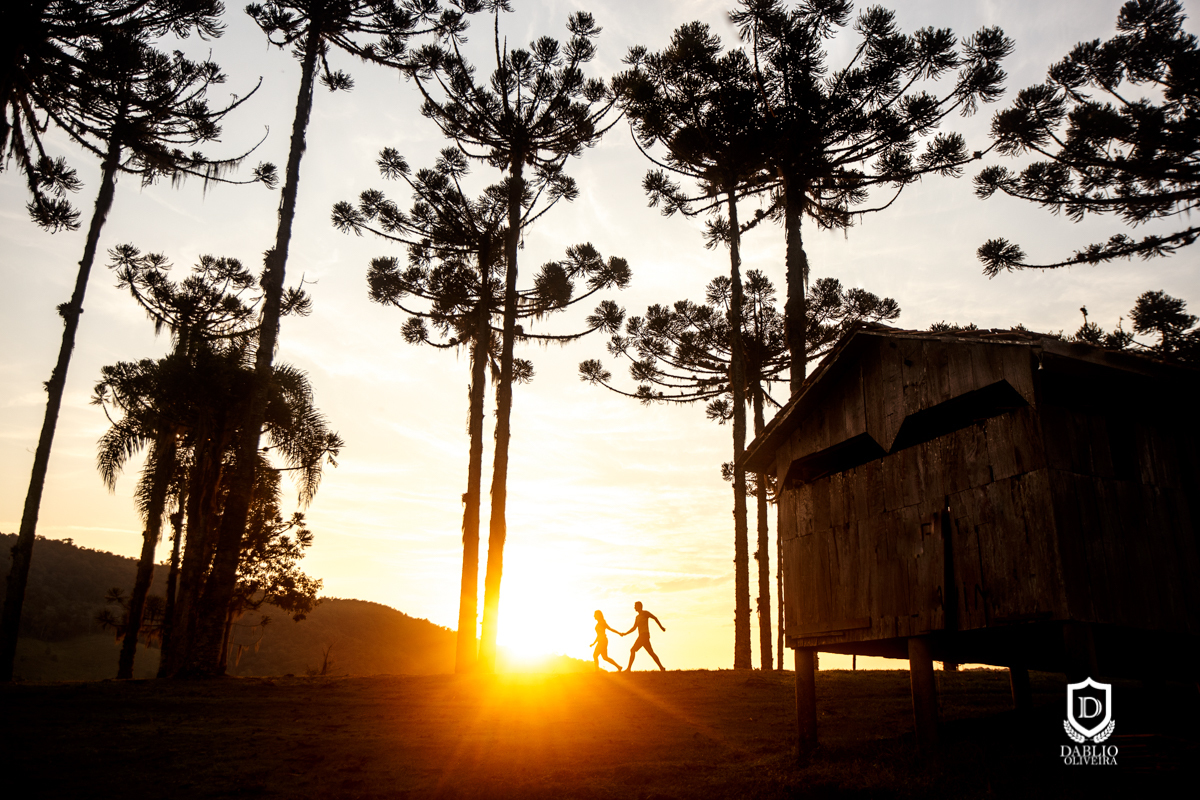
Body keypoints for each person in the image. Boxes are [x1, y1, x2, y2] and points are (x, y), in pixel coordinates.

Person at [622, 601, 666, 671]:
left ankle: (628, 668)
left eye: (635, 606)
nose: (634, 607)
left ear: (639, 606)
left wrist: (661, 627)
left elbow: (655, 618)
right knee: (651, 653)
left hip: (644, 636)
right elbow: (634, 628)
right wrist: (625, 633)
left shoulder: (645, 613)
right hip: (642, 636)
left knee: (632, 650)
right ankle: (661, 667)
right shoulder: (637, 617)